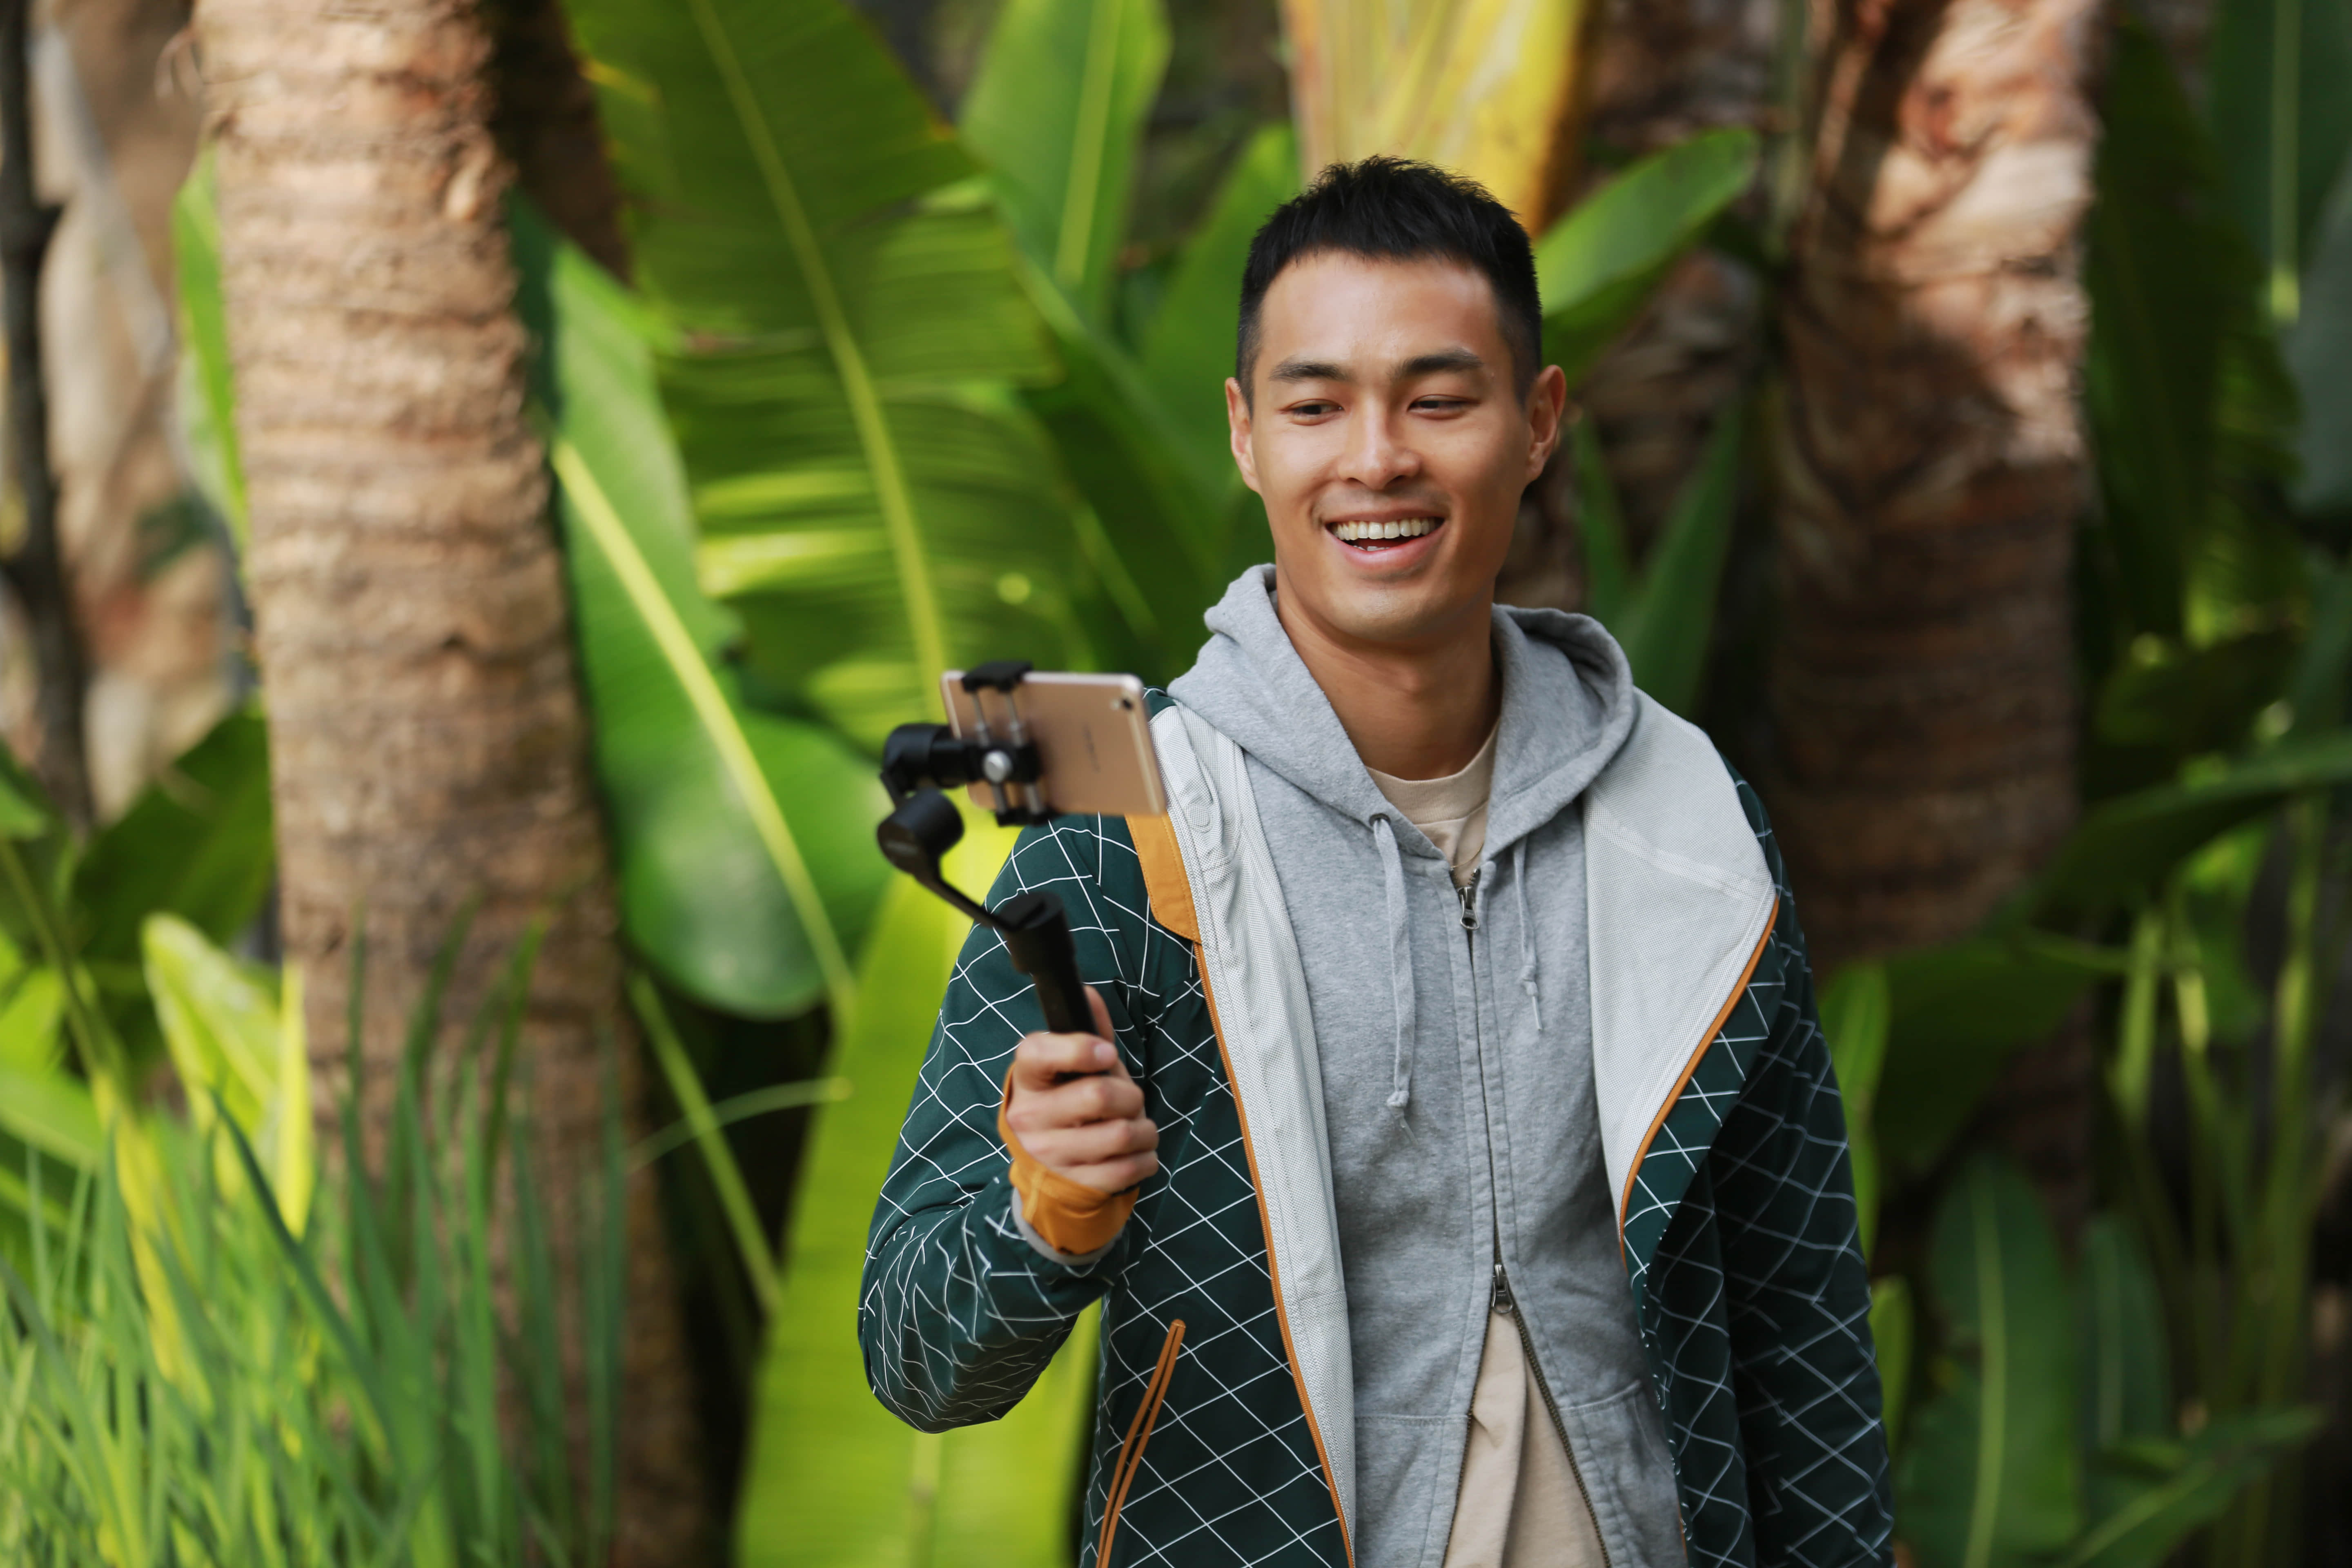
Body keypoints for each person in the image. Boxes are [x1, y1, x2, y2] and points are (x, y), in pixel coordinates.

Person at [860, 156, 1892, 1568]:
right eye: (1315, 403)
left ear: (1537, 423)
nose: (1375, 458)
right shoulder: (1126, 838)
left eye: (1438, 397)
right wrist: (1048, 1213)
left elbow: (1802, 1315)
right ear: (1244, 435)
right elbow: (914, 1356)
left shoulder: (1689, 817)